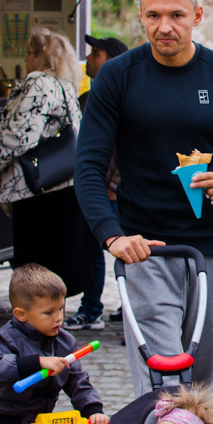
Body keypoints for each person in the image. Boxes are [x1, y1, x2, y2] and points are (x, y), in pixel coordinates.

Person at [74, 0, 213, 397]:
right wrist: (111, 236)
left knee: (201, 389)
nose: (164, 27)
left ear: (197, 15)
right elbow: (88, 168)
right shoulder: (117, 76)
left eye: (176, 15)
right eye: (153, 15)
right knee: (162, 386)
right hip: (145, 251)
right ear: (141, 17)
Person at [0, 28, 87, 289]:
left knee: (34, 271)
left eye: (29, 53)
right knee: (54, 270)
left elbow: (21, 135)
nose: (26, 61)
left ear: (41, 55)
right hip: (63, 183)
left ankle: (34, 325)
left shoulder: (38, 82)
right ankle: (50, 321)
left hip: (36, 188)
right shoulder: (65, 83)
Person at [0, 264, 109, 424]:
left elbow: (77, 381)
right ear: (21, 314)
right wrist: (37, 362)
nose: (58, 317)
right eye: (48, 312)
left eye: (61, 308)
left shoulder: (64, 342)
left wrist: (92, 410)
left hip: (42, 422)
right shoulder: (5, 339)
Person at [65, 34, 129, 330]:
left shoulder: (123, 95)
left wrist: (112, 186)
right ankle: (94, 307)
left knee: (127, 255)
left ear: (111, 60)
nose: (88, 59)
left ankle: (120, 311)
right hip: (98, 190)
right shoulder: (87, 96)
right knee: (95, 253)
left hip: (115, 193)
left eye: (95, 54)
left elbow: (123, 148)